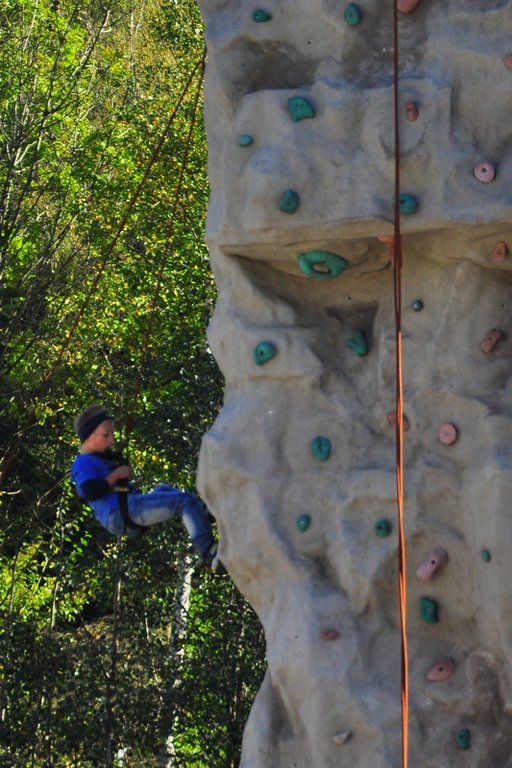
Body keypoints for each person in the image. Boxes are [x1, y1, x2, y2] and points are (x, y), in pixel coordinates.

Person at [70, 404, 219, 568]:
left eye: (112, 434)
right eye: (106, 435)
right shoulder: (83, 462)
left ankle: (201, 513)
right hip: (119, 512)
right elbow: (90, 491)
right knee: (184, 501)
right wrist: (117, 474)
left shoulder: (102, 458)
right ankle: (209, 553)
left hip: (127, 507)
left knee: (164, 489)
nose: (111, 440)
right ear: (88, 436)